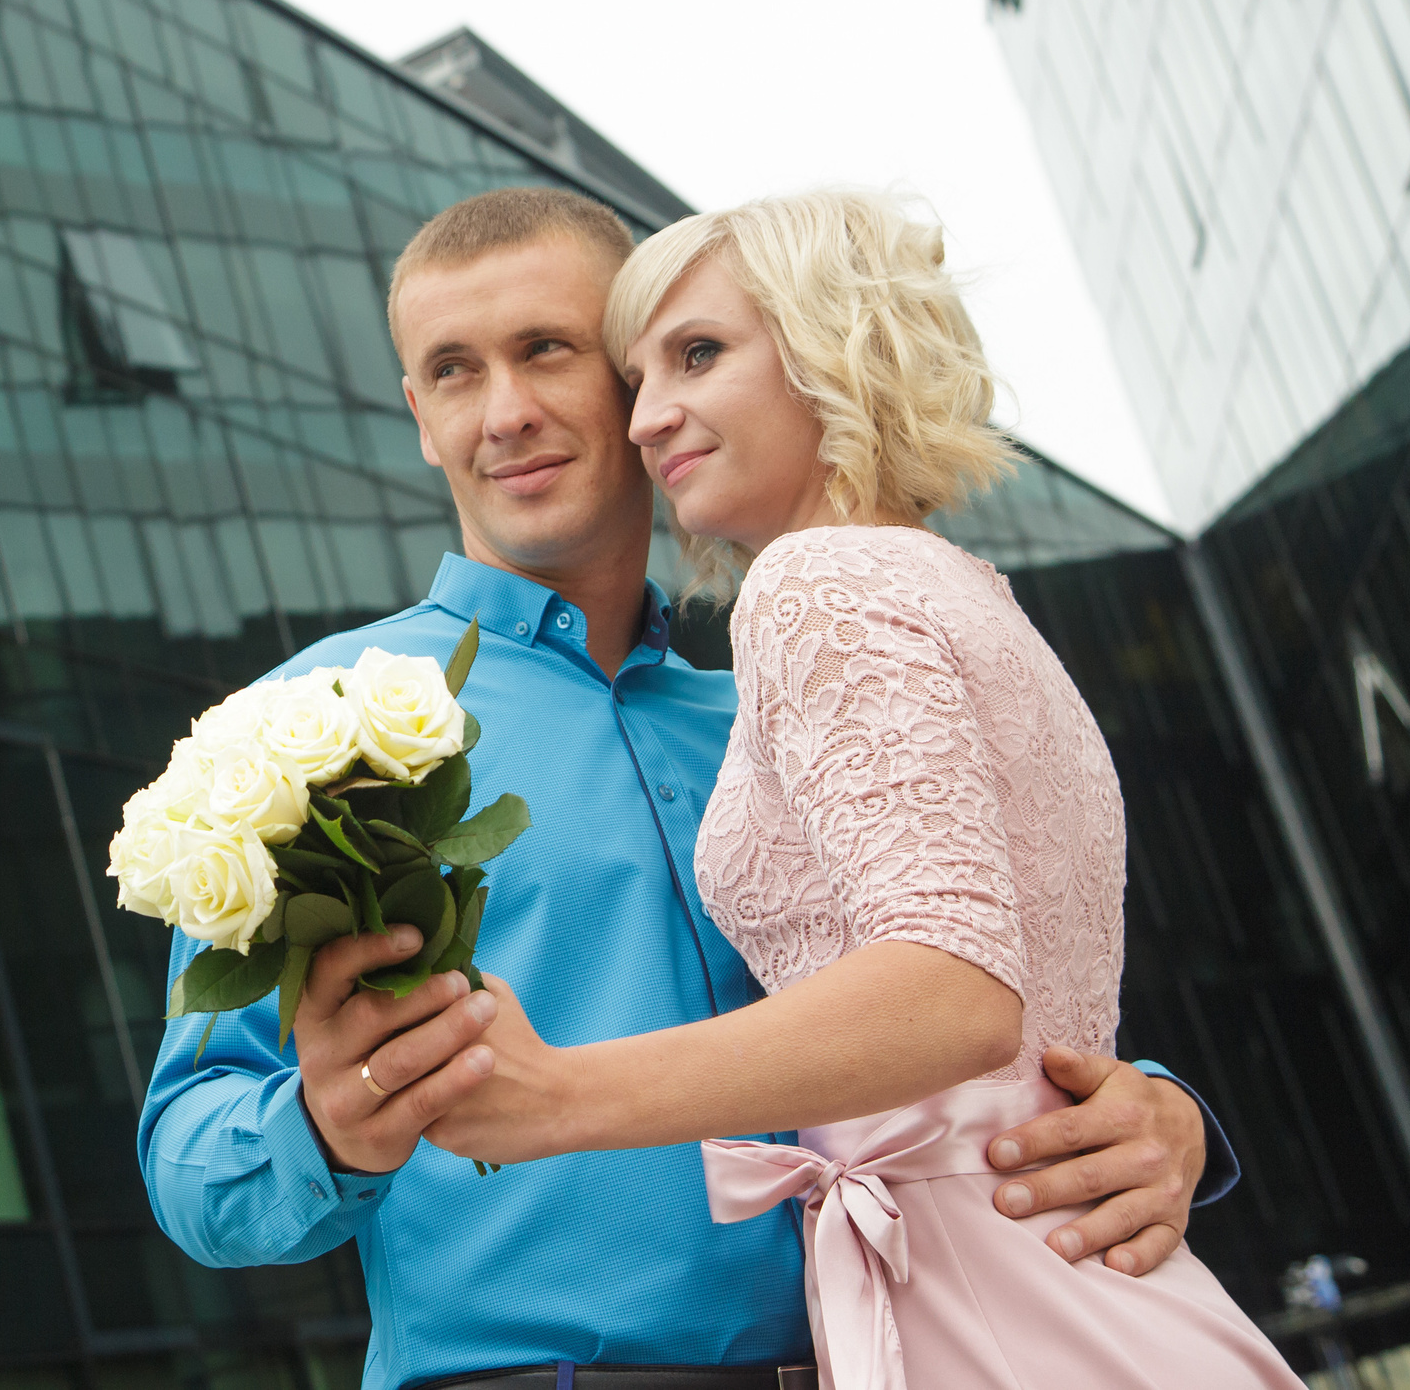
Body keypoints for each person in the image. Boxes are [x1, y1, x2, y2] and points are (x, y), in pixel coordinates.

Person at [136, 188, 1236, 1390]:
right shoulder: (311, 728)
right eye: (452, 371)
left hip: (908, 1353)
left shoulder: (799, 692)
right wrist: (326, 1126)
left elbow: (973, 972)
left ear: (630, 380)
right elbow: (193, 1162)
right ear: (418, 412)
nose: (503, 413)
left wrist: (1160, 1114)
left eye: (545, 351)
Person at [422, 191, 1302, 1388]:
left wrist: (559, 1097)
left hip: (989, 1286)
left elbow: (956, 990)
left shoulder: (815, 589)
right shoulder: (954, 589)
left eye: (697, 356)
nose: (647, 420)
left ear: (831, 347)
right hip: (1037, 1273)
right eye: (642, 374)